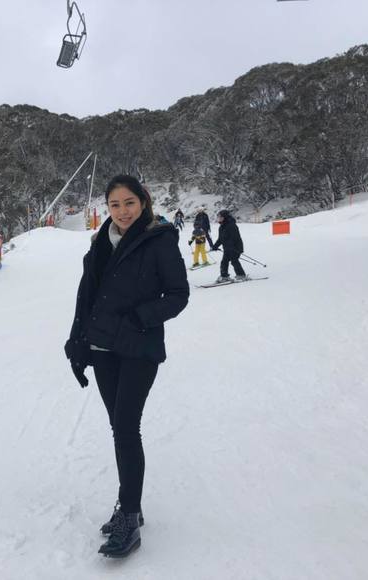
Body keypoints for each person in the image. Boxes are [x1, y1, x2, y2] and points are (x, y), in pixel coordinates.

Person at [64, 174, 189, 558]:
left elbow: (178, 294)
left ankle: (129, 514)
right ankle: (131, 504)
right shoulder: (99, 241)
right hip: (102, 348)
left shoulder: (159, 239)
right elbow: (87, 296)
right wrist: (76, 341)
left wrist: (138, 319)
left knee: (125, 428)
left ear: (144, 201)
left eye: (129, 203)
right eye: (115, 205)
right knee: (119, 427)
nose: (122, 212)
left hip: (138, 347)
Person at [210, 209, 247, 283]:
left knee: (234, 261)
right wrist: (215, 246)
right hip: (227, 248)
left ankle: (241, 275)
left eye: (220, 217)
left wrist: (231, 246)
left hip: (235, 247)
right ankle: (224, 276)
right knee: (224, 262)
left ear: (225, 217)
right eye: (218, 217)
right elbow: (220, 238)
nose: (219, 219)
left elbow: (235, 237)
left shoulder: (232, 225)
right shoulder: (221, 227)